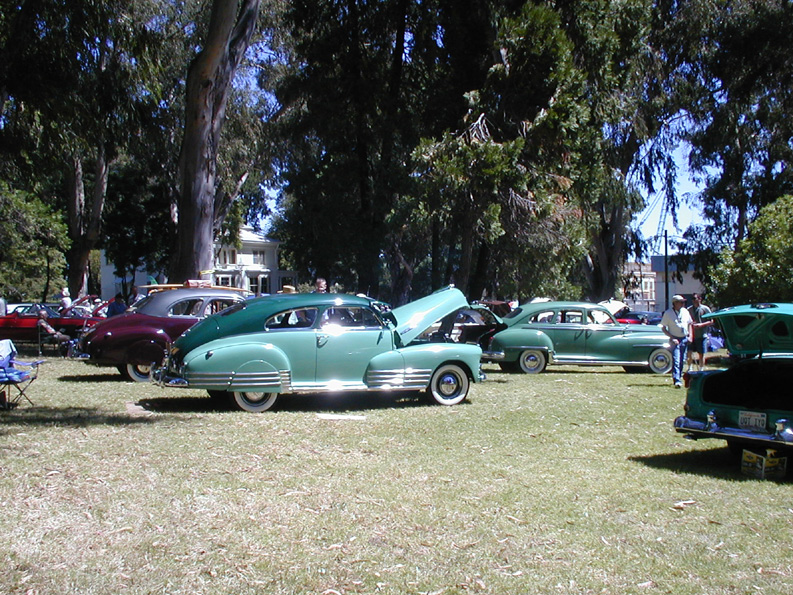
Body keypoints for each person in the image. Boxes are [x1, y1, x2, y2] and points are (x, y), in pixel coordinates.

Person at [661, 295, 693, 388]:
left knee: (682, 360)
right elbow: (663, 328)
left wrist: (690, 336)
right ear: (675, 303)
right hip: (674, 339)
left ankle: (679, 376)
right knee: (676, 359)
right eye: (681, 302)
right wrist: (672, 337)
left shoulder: (685, 311)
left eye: (683, 302)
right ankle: (677, 380)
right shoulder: (668, 313)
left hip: (684, 338)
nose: (683, 304)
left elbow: (690, 323)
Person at [687, 293, 713, 371]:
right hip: (692, 335)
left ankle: (701, 368)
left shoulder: (705, 309)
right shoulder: (689, 309)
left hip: (702, 335)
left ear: (699, 299)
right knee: (689, 352)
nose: (694, 301)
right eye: (692, 299)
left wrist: (701, 325)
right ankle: (690, 367)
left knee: (701, 353)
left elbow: (711, 321)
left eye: (695, 299)